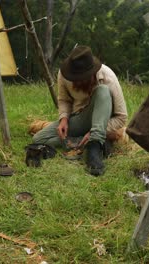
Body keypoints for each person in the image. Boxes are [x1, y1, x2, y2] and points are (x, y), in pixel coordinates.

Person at [31, 45, 127, 176]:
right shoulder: (63, 74)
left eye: (82, 77)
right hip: (80, 118)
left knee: (103, 91)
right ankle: (83, 141)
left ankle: (94, 147)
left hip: (102, 121)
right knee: (38, 139)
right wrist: (64, 119)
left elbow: (121, 118)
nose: (77, 81)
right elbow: (64, 100)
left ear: (91, 73)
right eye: (74, 77)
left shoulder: (107, 76)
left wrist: (95, 132)